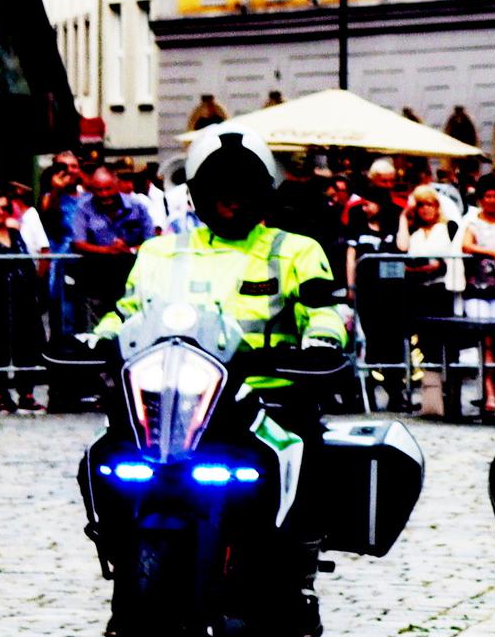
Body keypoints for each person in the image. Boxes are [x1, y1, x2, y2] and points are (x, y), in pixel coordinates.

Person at [92, 128, 355, 442]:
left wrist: (321, 342)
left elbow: (323, 311)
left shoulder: (295, 250)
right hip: (170, 400)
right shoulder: (160, 251)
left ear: (263, 194)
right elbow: (127, 313)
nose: (233, 200)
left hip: (269, 399)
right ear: (200, 194)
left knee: (306, 461)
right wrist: (100, 340)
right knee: (106, 452)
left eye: (245, 190)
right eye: (221, 190)